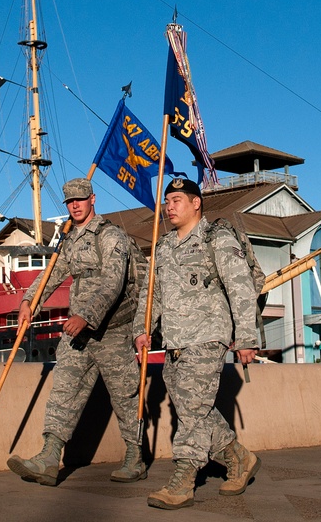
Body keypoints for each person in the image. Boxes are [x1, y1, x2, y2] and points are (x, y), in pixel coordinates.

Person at [7, 178, 145, 486]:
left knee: (125, 396)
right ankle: (48, 458)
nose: (75, 206)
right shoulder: (70, 241)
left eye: (80, 200)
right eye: (70, 202)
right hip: (78, 332)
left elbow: (113, 283)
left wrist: (86, 315)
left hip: (112, 331)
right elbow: (52, 273)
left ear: (93, 199)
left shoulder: (111, 237)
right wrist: (30, 301)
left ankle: (135, 456)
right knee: (63, 391)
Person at [134, 178, 261, 509]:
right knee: (193, 408)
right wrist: (141, 329)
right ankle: (239, 458)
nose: (170, 206)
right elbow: (152, 295)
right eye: (167, 201)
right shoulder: (162, 247)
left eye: (177, 199)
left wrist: (247, 337)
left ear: (196, 203)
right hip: (175, 341)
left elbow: (240, 286)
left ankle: (184, 479)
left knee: (191, 407)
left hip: (208, 335)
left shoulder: (215, 237)